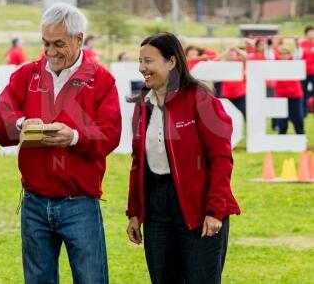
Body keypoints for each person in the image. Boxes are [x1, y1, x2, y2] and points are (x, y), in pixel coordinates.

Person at [0, 2, 121, 284]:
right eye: (46, 43)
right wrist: (23, 123)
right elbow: (0, 118)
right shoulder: (26, 75)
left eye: (58, 43)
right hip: (34, 202)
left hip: (80, 203)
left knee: (91, 279)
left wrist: (74, 137)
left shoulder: (101, 80)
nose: (50, 51)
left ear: (79, 39)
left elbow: (110, 133)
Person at [126, 32, 240, 284]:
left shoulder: (201, 100)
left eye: (148, 61)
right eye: (140, 61)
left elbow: (221, 159)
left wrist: (215, 210)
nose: (141, 67)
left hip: (199, 208)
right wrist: (134, 211)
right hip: (156, 211)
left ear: (172, 62)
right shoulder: (142, 105)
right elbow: (138, 163)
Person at [266, 45, 305, 134]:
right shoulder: (275, 64)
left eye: (285, 54)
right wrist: (268, 45)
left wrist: (296, 43)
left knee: (298, 118)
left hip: (295, 95)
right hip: (281, 95)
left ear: (289, 55)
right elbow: (268, 55)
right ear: (278, 55)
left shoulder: (295, 63)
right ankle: (281, 138)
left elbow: (298, 53)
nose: (283, 56)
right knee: (282, 119)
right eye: (281, 54)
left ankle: (301, 136)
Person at [220, 47, 248, 119]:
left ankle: (251, 129)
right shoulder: (222, 64)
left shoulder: (240, 62)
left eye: (233, 54)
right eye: (229, 54)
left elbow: (245, 56)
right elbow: (214, 60)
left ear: (236, 55)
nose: (231, 55)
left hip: (240, 94)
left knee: (246, 113)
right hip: (227, 95)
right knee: (224, 116)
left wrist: (236, 49)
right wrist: (225, 52)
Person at [296, 26, 314, 117]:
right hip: (304, 72)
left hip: (313, 73)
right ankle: (304, 111)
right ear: (306, 34)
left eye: (313, 32)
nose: (311, 34)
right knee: (303, 92)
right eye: (310, 32)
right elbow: (298, 56)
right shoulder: (302, 44)